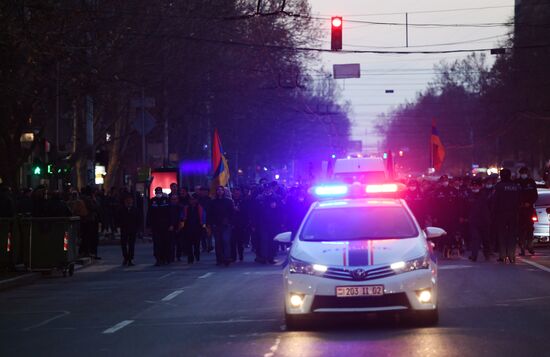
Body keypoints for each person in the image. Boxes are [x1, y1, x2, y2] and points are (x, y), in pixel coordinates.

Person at [493, 169, 520, 263]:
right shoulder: (516, 186)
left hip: (501, 214)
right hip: (513, 213)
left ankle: (503, 255)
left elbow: (494, 201)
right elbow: (520, 199)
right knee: (512, 234)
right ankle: (512, 255)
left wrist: (493, 213)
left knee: (501, 234)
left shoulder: (499, 186)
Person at [464, 178, 492, 261]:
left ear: (480, 186)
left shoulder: (485, 195)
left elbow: (491, 207)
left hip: (484, 220)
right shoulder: (469, 195)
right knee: (475, 238)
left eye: (476, 185)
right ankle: (474, 256)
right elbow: (465, 207)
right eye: (473, 185)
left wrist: (490, 217)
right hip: (473, 220)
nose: (474, 187)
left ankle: (487, 254)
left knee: (485, 239)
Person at [207, 186, 234, 266]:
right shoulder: (213, 202)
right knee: (218, 242)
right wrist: (211, 223)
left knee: (226, 241)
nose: (219, 191)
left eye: (221, 190)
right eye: (218, 190)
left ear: (223, 191)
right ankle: (219, 259)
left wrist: (229, 221)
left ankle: (227, 258)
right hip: (216, 224)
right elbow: (210, 214)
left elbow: (232, 213)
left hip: (226, 224)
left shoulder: (229, 201)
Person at [516, 167, 538, 256]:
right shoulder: (516, 182)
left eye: (525, 173)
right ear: (520, 173)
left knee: (530, 229)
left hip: (529, 210)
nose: (524, 174)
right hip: (519, 210)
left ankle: (530, 246)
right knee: (521, 230)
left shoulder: (531, 182)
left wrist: (529, 203)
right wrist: (519, 204)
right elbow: (514, 196)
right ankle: (522, 248)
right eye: (522, 173)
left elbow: (535, 195)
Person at [147, 187, 171, 266]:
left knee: (165, 242)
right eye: (157, 191)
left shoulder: (166, 200)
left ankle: (165, 258)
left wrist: (171, 224)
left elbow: (170, 213)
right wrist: (149, 225)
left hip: (165, 226)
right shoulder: (152, 201)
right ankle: (158, 259)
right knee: (157, 243)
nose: (158, 193)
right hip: (155, 226)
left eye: (159, 191)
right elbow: (149, 214)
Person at [117, 195, 140, 266]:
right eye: (127, 200)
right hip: (124, 229)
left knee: (131, 245)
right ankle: (125, 257)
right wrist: (118, 227)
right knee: (123, 244)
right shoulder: (121, 210)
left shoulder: (135, 209)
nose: (129, 202)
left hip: (132, 229)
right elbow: (118, 219)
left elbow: (138, 219)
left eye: (130, 200)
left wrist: (138, 229)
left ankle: (130, 259)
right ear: (124, 202)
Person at [182, 195, 206, 264]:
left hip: (197, 228)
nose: (192, 201)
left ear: (196, 200)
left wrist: (203, 226)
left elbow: (203, 217)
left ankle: (197, 254)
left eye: (193, 199)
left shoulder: (200, 208)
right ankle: (190, 257)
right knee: (188, 244)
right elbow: (183, 217)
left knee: (197, 244)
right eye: (191, 199)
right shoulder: (186, 208)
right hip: (188, 228)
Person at [231, 187, 250, 262]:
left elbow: (246, 212)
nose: (236, 194)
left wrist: (239, 210)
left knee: (240, 242)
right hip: (233, 223)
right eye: (235, 192)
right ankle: (233, 256)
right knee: (233, 241)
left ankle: (241, 255)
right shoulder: (231, 201)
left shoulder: (243, 201)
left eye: (237, 192)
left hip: (241, 224)